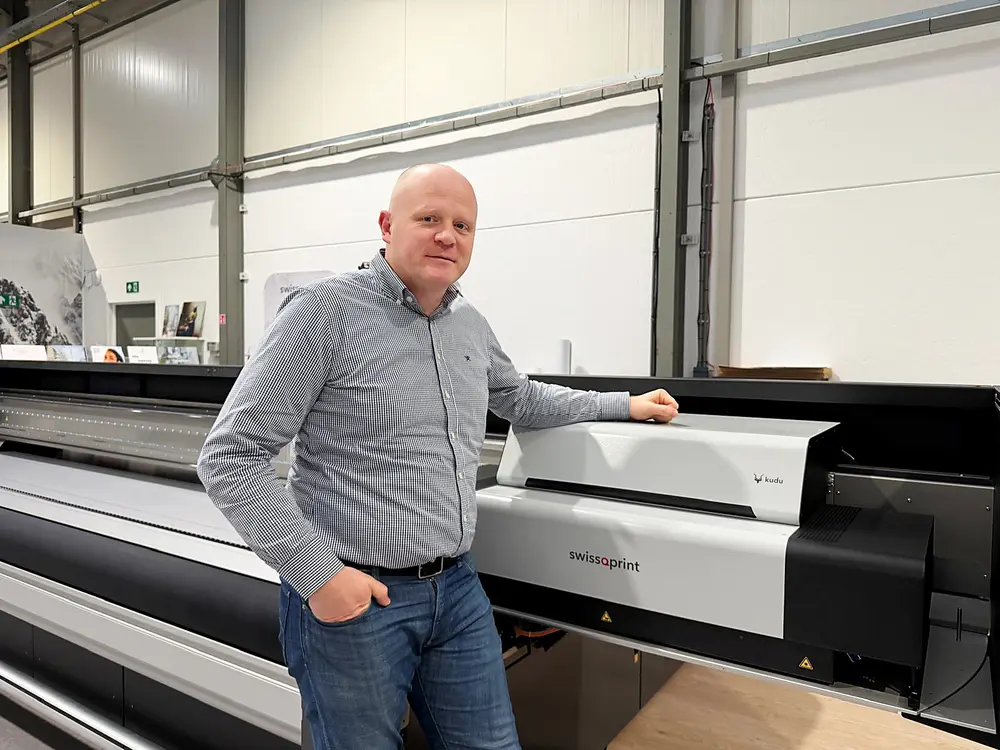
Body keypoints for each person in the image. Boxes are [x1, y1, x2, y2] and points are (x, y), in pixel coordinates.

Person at [196, 163, 678, 750]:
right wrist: (318, 577)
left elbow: (522, 399)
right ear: (387, 225)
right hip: (359, 600)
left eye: (462, 225)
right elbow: (230, 457)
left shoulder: (467, 323)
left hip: (456, 592)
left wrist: (623, 405)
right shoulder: (322, 313)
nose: (447, 236)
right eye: (429, 218)